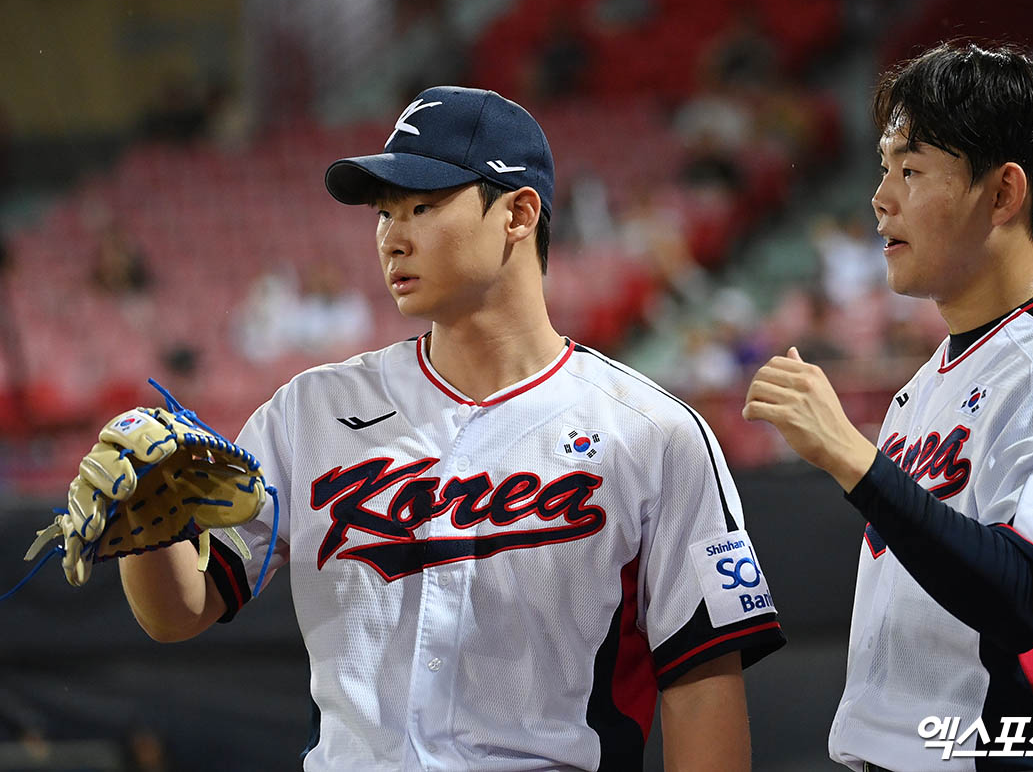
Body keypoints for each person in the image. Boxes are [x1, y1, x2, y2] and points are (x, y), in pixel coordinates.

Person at [117, 86, 785, 771]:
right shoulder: (306, 412)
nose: (391, 236)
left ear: (520, 213)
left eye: (423, 205)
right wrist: (147, 525)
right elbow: (180, 611)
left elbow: (702, 683)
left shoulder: (653, 432)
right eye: (383, 212)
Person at [744, 43, 1033, 771]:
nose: (880, 197)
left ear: (1001, 195)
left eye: (910, 169)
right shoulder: (921, 387)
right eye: (882, 167)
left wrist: (851, 454)